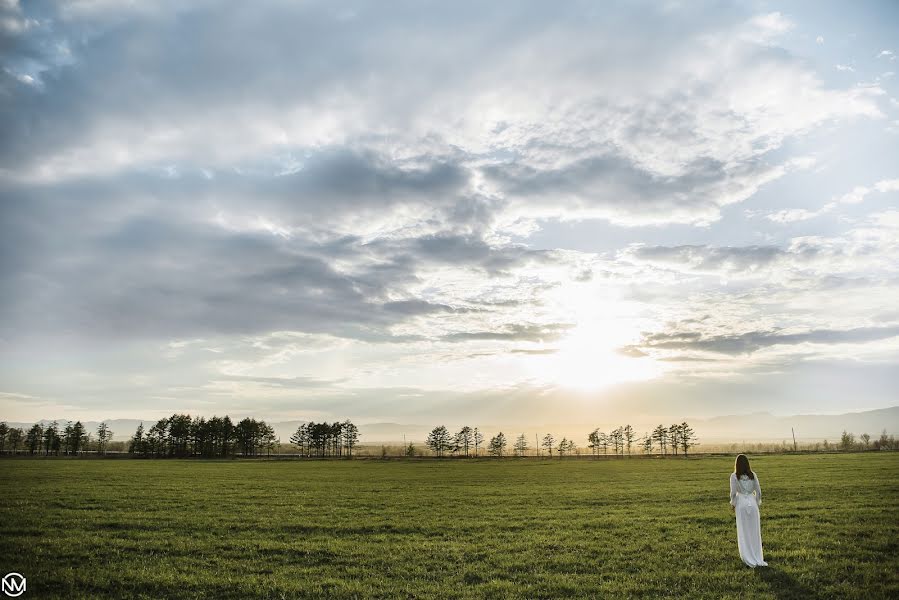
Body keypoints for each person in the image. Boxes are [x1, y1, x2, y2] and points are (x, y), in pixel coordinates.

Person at [729, 454, 767, 567]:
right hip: (753, 504)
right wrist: (756, 502)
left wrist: (733, 503)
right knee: (754, 531)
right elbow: (759, 491)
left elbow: (733, 493)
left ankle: (747, 555)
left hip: (741, 504)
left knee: (744, 531)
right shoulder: (753, 475)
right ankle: (757, 556)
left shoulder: (734, 476)